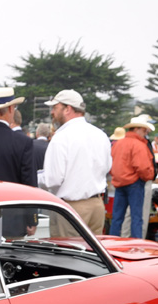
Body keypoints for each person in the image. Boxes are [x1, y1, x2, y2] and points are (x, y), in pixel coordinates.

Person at [42, 89, 112, 235]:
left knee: (66, 255)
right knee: (93, 256)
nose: (52, 112)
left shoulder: (61, 137)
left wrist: (31, 178)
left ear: (67, 109)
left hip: (71, 207)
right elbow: (106, 168)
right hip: (97, 205)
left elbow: (53, 179)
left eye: (55, 107)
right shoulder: (100, 134)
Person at [109, 117, 156, 238]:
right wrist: (149, 177)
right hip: (135, 183)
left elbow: (111, 163)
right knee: (137, 218)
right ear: (137, 129)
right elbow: (143, 167)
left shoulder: (118, 144)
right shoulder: (139, 145)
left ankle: (112, 243)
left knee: (117, 217)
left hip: (119, 183)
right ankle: (137, 245)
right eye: (144, 130)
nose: (146, 133)